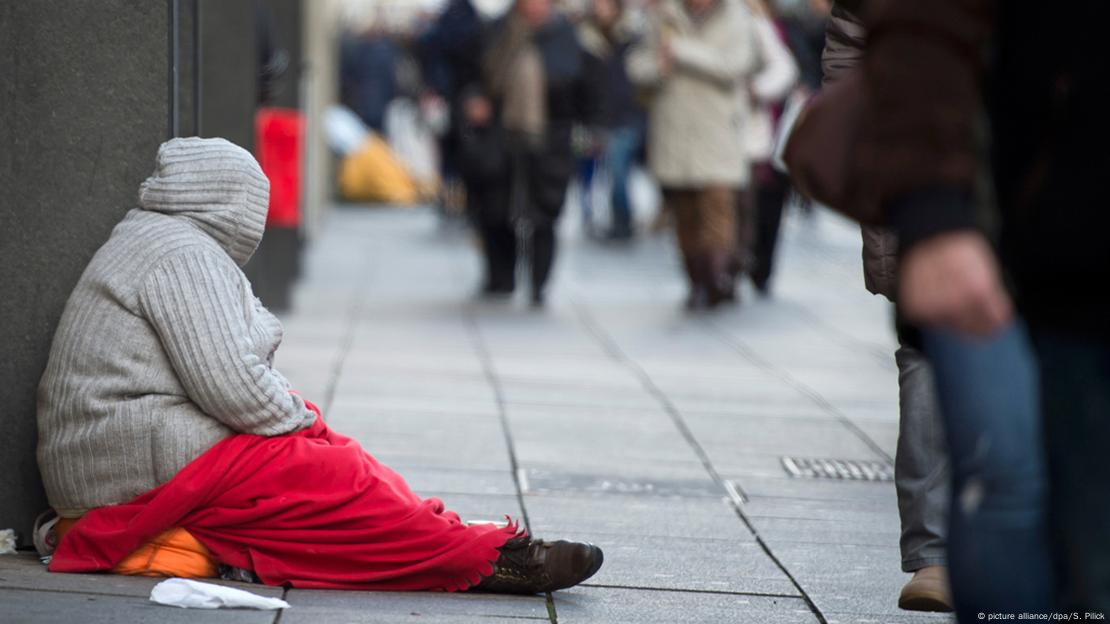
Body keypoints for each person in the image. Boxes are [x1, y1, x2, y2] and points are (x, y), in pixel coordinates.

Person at [37, 137, 604, 594]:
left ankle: (444, 533)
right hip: (124, 460)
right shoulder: (183, 254)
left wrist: (286, 393)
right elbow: (235, 386)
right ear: (231, 205)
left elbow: (237, 359)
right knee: (330, 472)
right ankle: (482, 559)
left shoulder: (159, 239)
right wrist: (293, 402)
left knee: (329, 452)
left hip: (123, 447)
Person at [786, 0, 1110, 617]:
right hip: (977, 207)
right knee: (1001, 474)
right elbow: (896, 36)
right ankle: (934, 552)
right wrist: (923, 207)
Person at [627, 0, 758, 309]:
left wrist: (682, 51)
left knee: (717, 208)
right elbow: (637, 64)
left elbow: (735, 64)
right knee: (685, 213)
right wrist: (657, 68)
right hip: (675, 131)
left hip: (717, 132)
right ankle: (696, 280)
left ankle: (718, 278)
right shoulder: (662, 15)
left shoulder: (735, 15)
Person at [479, 0, 605, 305]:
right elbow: (480, 75)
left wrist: (591, 128)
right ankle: (502, 276)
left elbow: (586, 86)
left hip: (552, 136)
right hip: (503, 134)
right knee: (498, 208)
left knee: (544, 212)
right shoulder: (500, 31)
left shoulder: (568, 36)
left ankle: (538, 282)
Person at [577, 0, 647, 241]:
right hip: (597, 117)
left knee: (617, 172)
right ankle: (602, 217)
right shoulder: (586, 40)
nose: (601, 9)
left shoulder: (631, 37)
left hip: (627, 116)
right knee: (597, 171)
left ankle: (622, 222)